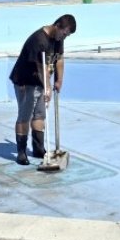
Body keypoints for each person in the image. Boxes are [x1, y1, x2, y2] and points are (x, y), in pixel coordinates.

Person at [8, 14, 77, 165]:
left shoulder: (59, 39)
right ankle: (21, 152)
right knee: (25, 116)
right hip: (25, 82)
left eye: (67, 35)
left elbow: (59, 59)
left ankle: (38, 148)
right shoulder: (38, 40)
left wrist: (59, 80)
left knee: (40, 115)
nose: (64, 37)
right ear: (57, 26)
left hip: (40, 81)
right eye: (64, 33)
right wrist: (47, 87)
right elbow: (41, 69)